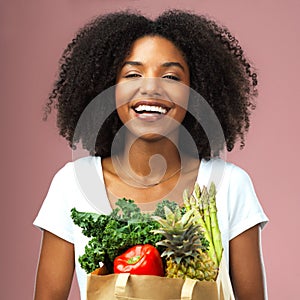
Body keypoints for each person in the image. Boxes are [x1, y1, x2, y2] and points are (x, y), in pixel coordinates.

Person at [33, 10, 269, 300]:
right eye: (133, 74)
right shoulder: (71, 183)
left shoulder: (231, 185)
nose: (151, 87)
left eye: (171, 76)